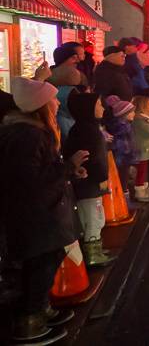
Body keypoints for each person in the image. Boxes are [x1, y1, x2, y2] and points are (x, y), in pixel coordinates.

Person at [0, 77, 89, 343]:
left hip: (41, 215)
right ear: (40, 105)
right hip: (37, 217)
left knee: (44, 263)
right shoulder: (27, 135)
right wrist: (68, 166)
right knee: (40, 265)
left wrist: (70, 171)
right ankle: (30, 322)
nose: (57, 101)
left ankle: (40, 309)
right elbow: (29, 182)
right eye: (51, 98)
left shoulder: (30, 131)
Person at [63, 92, 116, 267]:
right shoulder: (88, 131)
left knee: (94, 216)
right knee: (93, 218)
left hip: (87, 183)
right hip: (89, 184)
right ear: (88, 108)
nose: (102, 107)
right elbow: (94, 159)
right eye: (98, 104)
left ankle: (96, 249)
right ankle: (93, 255)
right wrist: (102, 177)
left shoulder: (83, 128)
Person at [103, 95, 139, 200]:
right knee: (123, 181)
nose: (134, 114)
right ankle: (125, 203)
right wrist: (130, 155)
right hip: (122, 159)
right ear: (124, 114)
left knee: (125, 180)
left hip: (124, 158)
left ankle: (125, 200)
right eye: (132, 112)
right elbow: (123, 146)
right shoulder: (122, 128)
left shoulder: (125, 126)